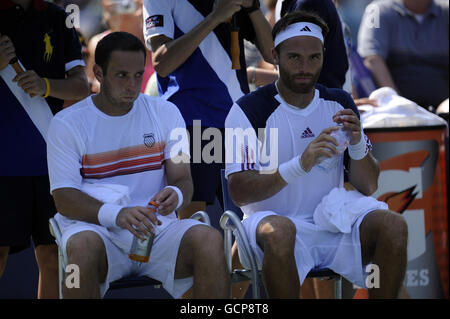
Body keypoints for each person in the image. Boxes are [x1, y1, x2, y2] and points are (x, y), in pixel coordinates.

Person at [224, 11, 409, 298]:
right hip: (269, 226)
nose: (305, 67)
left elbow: (369, 186)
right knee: (281, 231)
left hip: (330, 223)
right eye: (294, 57)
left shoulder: (340, 102)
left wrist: (358, 143)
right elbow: (239, 192)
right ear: (275, 55)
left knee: (394, 226)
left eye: (314, 58)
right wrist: (301, 164)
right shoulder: (246, 110)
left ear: (323, 56)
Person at [46, 31, 229, 299]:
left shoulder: (167, 112)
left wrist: (176, 196)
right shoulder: (66, 123)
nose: (132, 85)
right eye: (121, 75)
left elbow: (183, 180)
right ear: (98, 72)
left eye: (137, 75)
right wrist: (117, 215)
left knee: (210, 240)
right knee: (80, 249)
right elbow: (64, 199)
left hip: (157, 233)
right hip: (96, 232)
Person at [143, 0, 274, 220]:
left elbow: (273, 54)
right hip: (190, 122)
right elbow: (162, 62)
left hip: (240, 119)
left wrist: (251, 7)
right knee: (192, 223)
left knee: (256, 217)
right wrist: (214, 18)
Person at [0, 0, 89, 298]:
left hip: (52, 164)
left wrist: (46, 86)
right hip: (3, 166)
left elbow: (81, 87)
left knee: (53, 257)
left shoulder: (59, 17)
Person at [358, 0, 449, 111]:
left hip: (444, 112)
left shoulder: (446, 12)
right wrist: (399, 104)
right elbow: (372, 58)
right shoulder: (376, 10)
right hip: (394, 115)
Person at [277, 0, 349, 89]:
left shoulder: (311, 3)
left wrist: (256, 76)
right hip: (319, 96)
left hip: (315, 98)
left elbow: (301, 72)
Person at [86, 0, 154, 94]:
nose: (118, 11)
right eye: (110, 9)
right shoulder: (97, 44)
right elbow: (89, 86)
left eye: (125, 5)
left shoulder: (154, 40)